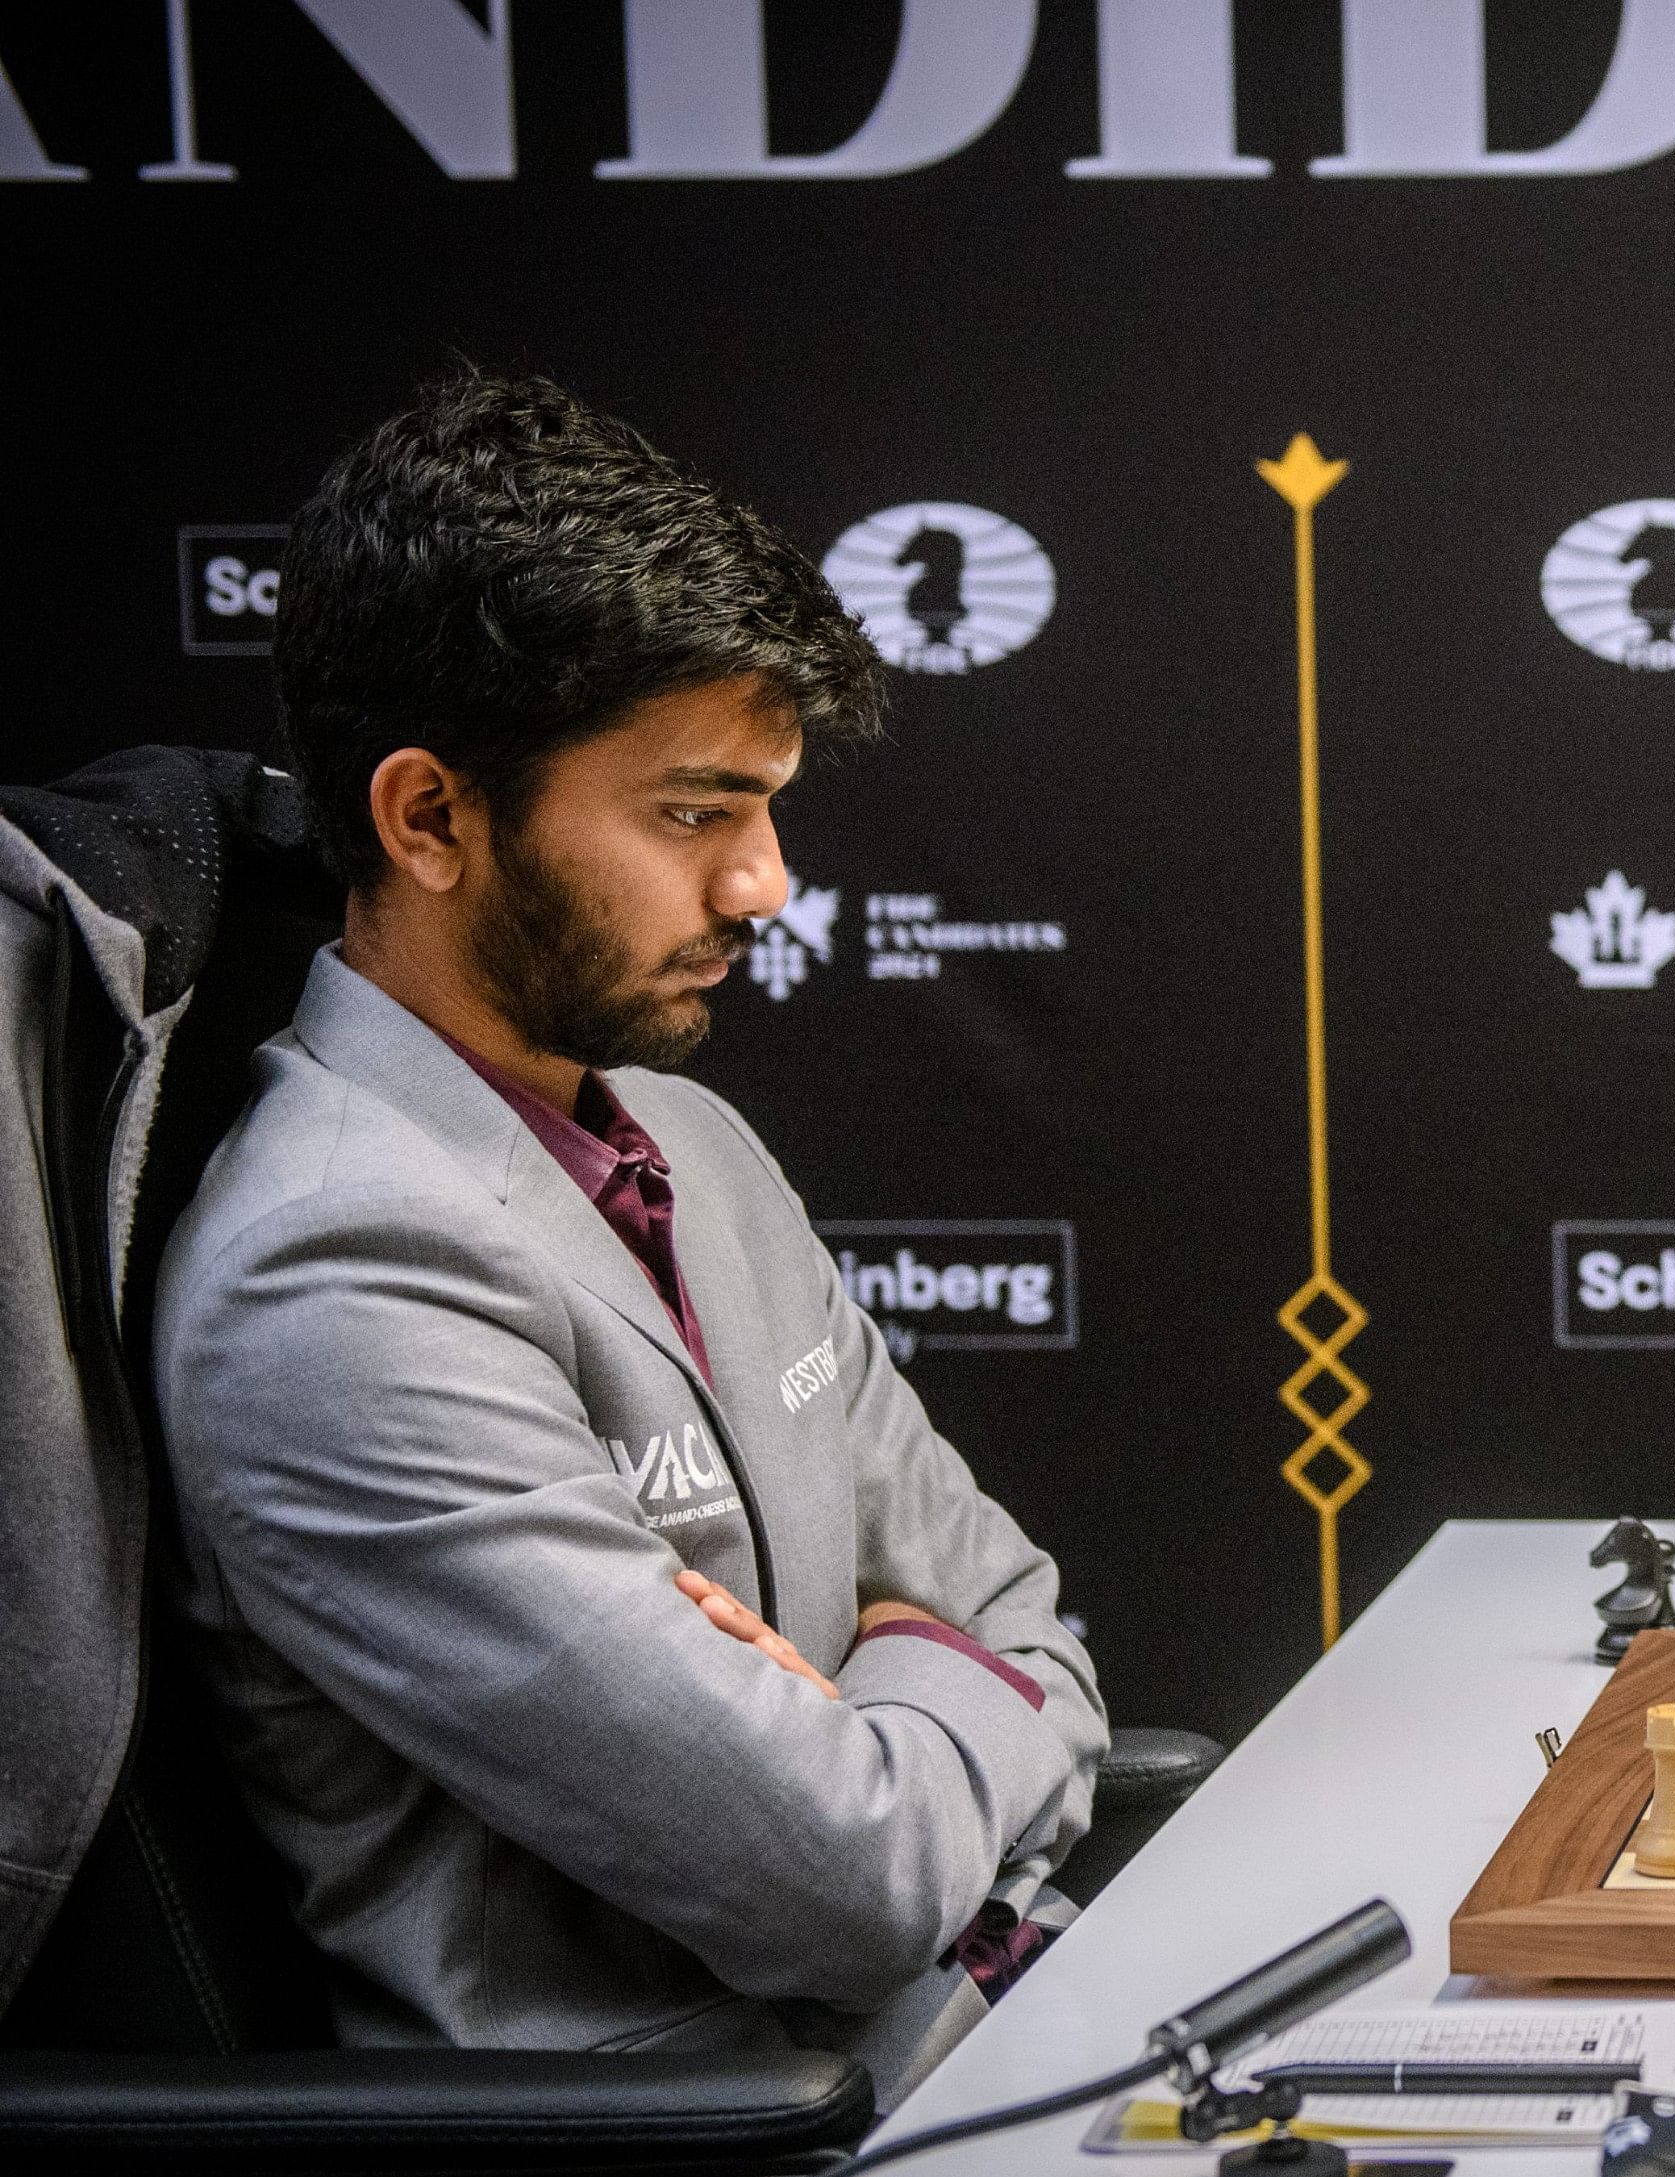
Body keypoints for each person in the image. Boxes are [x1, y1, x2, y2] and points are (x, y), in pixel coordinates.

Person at [155, 372, 1106, 2097]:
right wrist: (931, 1677)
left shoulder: (690, 1138)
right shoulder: (332, 1274)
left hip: (995, 2032)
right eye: (694, 813)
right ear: (428, 817)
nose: (766, 886)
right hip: (734, 2127)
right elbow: (850, 1884)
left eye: (765, 807)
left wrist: (888, 1697)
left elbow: (1033, 1619)